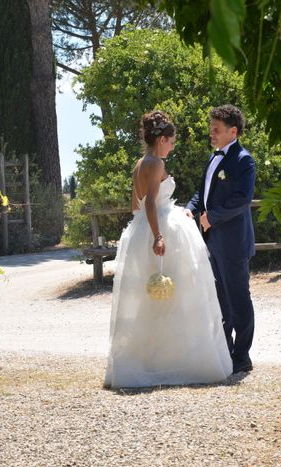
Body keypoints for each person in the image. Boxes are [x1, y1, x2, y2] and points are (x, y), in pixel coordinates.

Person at [104, 110, 233, 389]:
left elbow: (134, 206)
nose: (174, 145)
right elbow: (150, 203)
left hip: (141, 230)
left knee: (152, 298)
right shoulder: (155, 164)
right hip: (158, 229)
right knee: (177, 292)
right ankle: (176, 360)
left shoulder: (140, 164)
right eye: (172, 140)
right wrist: (159, 235)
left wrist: (144, 231)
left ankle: (151, 359)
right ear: (162, 139)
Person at [185, 105, 256, 374]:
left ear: (233, 131)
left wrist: (211, 217)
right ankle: (224, 352)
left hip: (234, 242)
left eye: (216, 130)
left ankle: (242, 356)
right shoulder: (214, 158)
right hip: (213, 241)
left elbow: (242, 199)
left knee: (239, 300)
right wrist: (191, 208)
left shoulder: (244, 160)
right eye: (210, 128)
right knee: (220, 299)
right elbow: (202, 191)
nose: (211, 134)